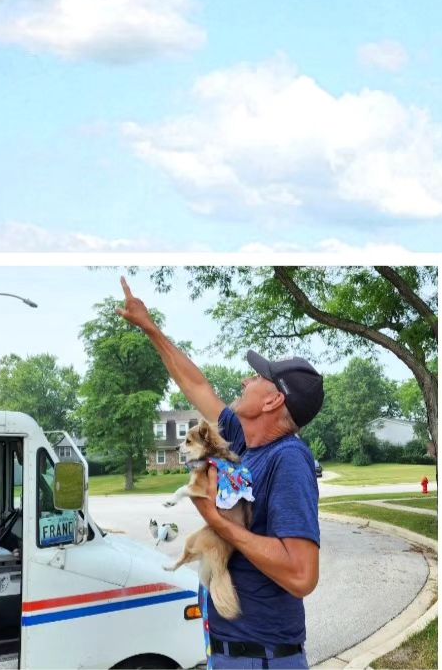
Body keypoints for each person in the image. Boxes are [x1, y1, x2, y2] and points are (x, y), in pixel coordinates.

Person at [118, 277, 324, 670]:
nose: (245, 380)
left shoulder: (289, 460)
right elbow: (196, 384)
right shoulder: (245, 443)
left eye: (257, 377)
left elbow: (302, 576)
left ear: (273, 399)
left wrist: (217, 522)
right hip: (231, 651)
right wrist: (151, 329)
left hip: (260, 658)